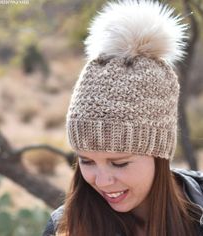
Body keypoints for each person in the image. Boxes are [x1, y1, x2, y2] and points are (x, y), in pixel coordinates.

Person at [43, 0, 203, 235]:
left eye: (119, 163)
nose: (103, 181)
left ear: (159, 152)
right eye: (86, 161)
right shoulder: (65, 227)